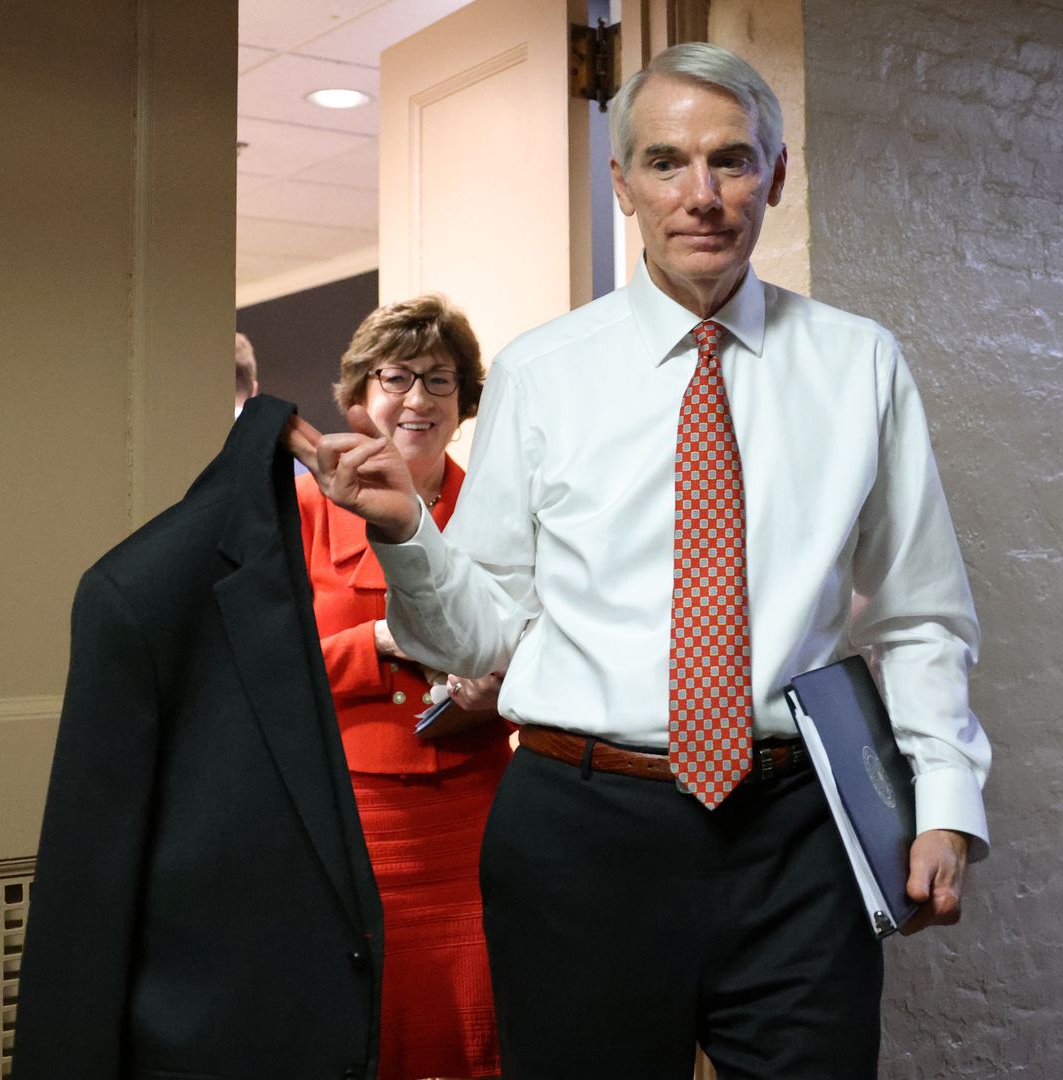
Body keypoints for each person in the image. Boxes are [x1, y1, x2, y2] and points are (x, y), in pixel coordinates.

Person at [286, 42, 991, 1080]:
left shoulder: (860, 366)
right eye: (666, 163)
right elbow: (476, 635)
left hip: (797, 837)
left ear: (778, 177)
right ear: (622, 184)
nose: (700, 195)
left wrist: (943, 800)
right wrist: (406, 538)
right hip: (581, 835)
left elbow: (920, 613)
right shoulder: (541, 372)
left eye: (732, 162)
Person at [296, 295, 509, 1080]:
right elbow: (266, 668)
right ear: (361, 397)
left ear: (465, 406)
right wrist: (382, 642)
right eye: (398, 377)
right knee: (357, 1037)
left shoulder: (497, 510)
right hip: (348, 818)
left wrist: (502, 683)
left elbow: (538, 630)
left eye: (441, 381)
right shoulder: (303, 511)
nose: (418, 398)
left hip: (474, 822)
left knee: (477, 1040)